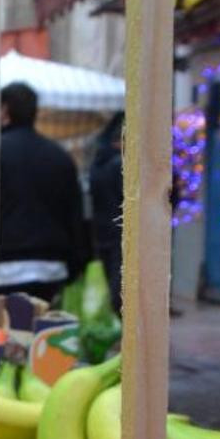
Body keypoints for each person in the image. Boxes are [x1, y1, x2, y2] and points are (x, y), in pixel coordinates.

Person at [0, 81, 87, 300]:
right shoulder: (60, 156)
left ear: (5, 110)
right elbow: (75, 215)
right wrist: (75, 264)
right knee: (43, 331)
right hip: (52, 269)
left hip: (2, 268)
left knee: (6, 332)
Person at [88, 111, 124, 309]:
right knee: (118, 286)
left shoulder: (98, 163)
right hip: (119, 231)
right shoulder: (119, 164)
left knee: (110, 283)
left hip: (102, 230)